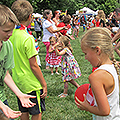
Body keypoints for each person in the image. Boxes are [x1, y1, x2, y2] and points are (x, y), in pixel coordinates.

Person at [10, 0, 47, 120]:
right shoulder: (27, 38)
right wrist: (43, 84)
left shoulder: (10, 35)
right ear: (30, 16)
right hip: (32, 83)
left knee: (23, 110)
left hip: (18, 81)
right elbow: (34, 65)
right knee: (36, 113)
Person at [0, 4, 38, 119]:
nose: (10, 34)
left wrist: (19, 94)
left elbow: (4, 72)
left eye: (11, 30)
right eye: (6, 31)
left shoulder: (7, 45)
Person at [75, 27, 120, 119]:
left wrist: (86, 107)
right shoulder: (112, 67)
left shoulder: (96, 76)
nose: (85, 58)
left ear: (97, 50)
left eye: (85, 53)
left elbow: (104, 111)